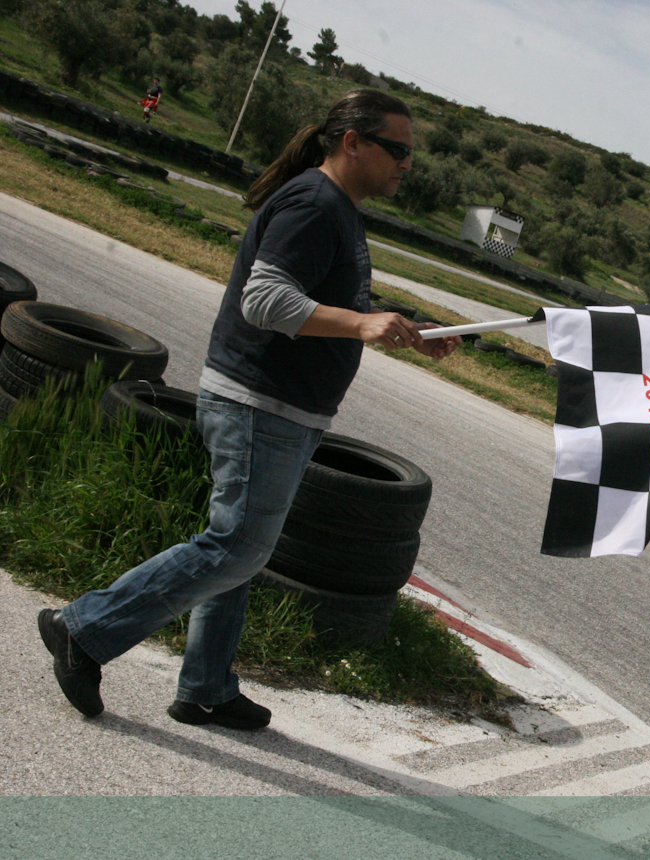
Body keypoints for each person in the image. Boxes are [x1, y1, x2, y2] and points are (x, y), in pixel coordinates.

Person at [37, 88, 461, 730]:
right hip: (258, 402)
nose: (407, 164)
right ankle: (83, 628)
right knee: (236, 545)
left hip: (283, 408)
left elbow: (329, 302)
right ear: (353, 142)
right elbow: (263, 300)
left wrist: (403, 328)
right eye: (397, 150)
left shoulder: (339, 211)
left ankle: (206, 687)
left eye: (410, 154)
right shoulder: (314, 204)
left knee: (241, 551)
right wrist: (360, 325)